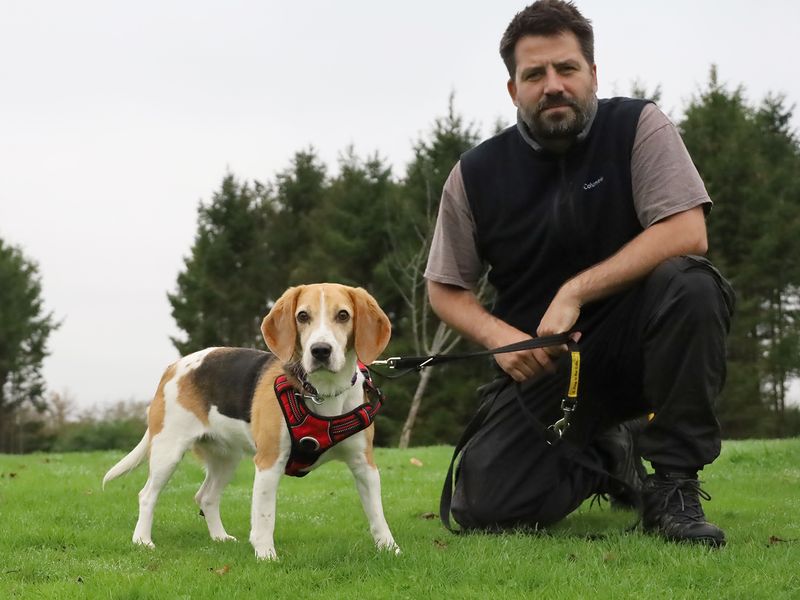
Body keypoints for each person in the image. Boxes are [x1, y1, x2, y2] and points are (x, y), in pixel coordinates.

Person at [424, 0, 735, 546]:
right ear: (512, 89)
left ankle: (674, 487)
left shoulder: (639, 126)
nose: (553, 85)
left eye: (566, 69)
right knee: (488, 509)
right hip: (545, 369)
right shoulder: (474, 174)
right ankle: (610, 451)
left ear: (592, 73)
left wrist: (576, 290)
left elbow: (688, 230)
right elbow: (445, 287)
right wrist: (501, 338)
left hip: (641, 346)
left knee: (691, 282)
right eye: (534, 74)